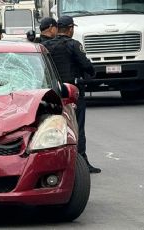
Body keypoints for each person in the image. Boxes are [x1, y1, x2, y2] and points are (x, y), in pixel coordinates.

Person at [43, 16, 101, 173]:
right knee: (77, 127)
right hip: (72, 94)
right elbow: (86, 65)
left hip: (50, 95)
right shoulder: (73, 45)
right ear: (70, 29)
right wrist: (91, 73)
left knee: (51, 129)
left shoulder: (45, 46)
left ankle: (53, 162)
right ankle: (81, 162)